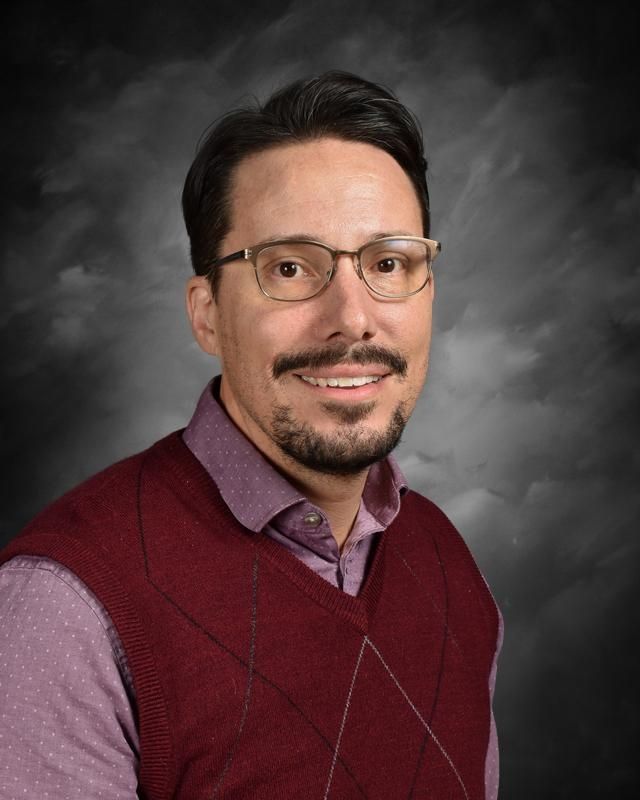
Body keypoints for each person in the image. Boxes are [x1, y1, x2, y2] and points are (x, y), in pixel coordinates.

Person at [0, 71, 502, 799]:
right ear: (207, 313)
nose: (352, 318)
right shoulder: (64, 607)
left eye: (389, 263)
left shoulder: (451, 570)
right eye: (292, 268)